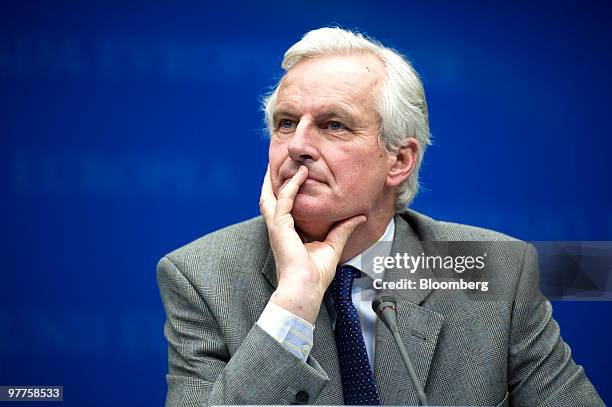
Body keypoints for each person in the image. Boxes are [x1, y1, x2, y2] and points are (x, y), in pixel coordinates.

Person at [157, 27, 603, 406]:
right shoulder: (202, 276)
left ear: (399, 161)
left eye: (334, 125)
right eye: (286, 123)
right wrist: (292, 307)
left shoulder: (485, 267)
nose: (298, 146)